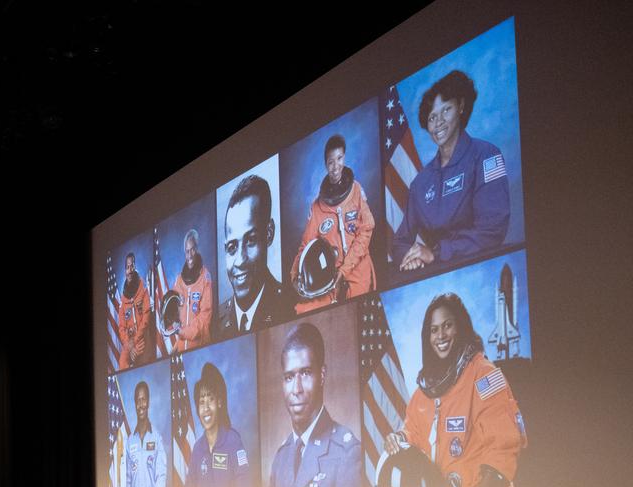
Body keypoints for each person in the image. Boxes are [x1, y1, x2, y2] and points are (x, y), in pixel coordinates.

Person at [383, 293, 526, 487]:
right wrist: (399, 439)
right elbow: (415, 433)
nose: (441, 336)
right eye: (434, 330)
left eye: (447, 325)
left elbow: (503, 445)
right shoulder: (424, 393)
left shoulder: (484, 375)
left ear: (460, 327)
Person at [392, 70, 510, 272]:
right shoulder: (420, 183)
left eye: (446, 110)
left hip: (480, 269)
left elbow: (492, 230)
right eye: (432, 117)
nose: (438, 122)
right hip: (434, 275)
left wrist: (437, 252)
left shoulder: (487, 155)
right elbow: (400, 242)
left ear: (461, 107)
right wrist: (412, 256)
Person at [266, 322, 364, 487]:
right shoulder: (281, 457)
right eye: (289, 377)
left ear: (322, 374)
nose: (296, 389)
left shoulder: (347, 453)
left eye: (305, 373)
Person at [291, 134, 376, 312]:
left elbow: (366, 229)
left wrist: (345, 270)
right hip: (330, 276)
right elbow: (306, 245)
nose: (336, 166)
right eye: (331, 162)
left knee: (355, 309)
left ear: (344, 157)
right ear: (325, 164)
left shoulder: (356, 191)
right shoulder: (317, 207)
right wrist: (295, 275)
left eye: (339, 158)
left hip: (357, 268)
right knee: (301, 310)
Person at [214, 175, 293, 340]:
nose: (240, 260)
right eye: (232, 247)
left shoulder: (289, 304)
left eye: (250, 240)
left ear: (269, 233)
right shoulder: (215, 321)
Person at [184, 364, 253, 487]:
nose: (206, 408)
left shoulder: (233, 441)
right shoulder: (198, 448)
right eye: (201, 402)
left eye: (211, 400)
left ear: (220, 402)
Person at [121, 382, 167, 487]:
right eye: (138, 400)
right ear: (135, 404)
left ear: (148, 402)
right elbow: (126, 481)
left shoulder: (157, 438)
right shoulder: (129, 442)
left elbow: (161, 478)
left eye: (143, 399)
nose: (141, 404)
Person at [171, 230, 214, 352]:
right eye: (187, 251)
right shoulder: (179, 280)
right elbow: (173, 308)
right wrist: (174, 322)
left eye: (192, 250)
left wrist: (184, 332)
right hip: (181, 346)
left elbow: (205, 318)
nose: (190, 255)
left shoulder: (205, 277)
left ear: (197, 249)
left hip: (199, 346)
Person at [116, 253, 153, 370]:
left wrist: (136, 340)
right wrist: (130, 346)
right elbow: (122, 328)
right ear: (125, 271)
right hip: (130, 342)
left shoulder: (143, 290)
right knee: (122, 362)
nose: (130, 270)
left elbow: (146, 318)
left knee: (144, 363)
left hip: (143, 338)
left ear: (135, 266)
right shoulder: (123, 301)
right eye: (127, 267)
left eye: (131, 266)